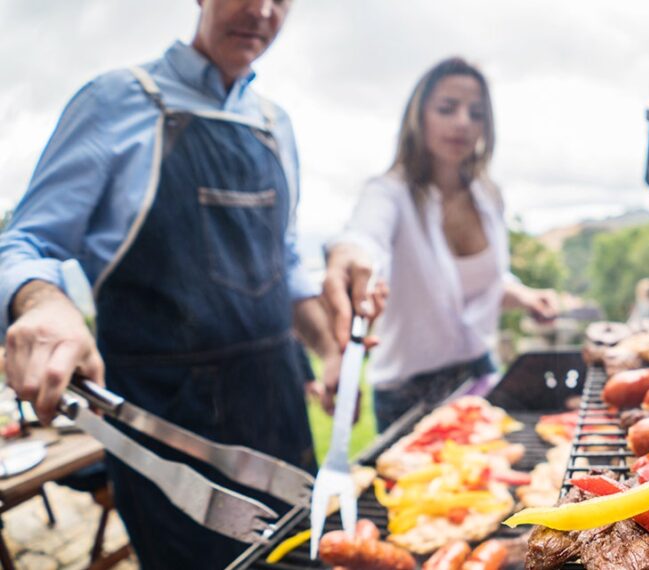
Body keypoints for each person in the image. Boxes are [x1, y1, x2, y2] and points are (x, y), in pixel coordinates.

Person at [0, 1, 375, 567]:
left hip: (277, 407)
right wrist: (43, 302)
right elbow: (24, 243)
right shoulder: (114, 102)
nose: (262, 10)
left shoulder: (275, 124)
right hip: (169, 426)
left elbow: (286, 262)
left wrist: (327, 349)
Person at [323, 57, 557, 433]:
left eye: (476, 112)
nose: (463, 121)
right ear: (419, 116)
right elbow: (363, 238)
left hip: (480, 376)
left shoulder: (488, 196)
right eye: (447, 108)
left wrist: (524, 296)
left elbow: (483, 284)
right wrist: (348, 258)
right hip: (407, 396)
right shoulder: (388, 193)